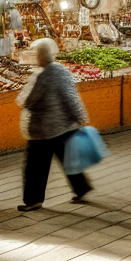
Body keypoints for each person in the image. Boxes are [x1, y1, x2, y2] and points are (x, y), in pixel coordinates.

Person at [16, 37, 91, 211]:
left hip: (43, 129)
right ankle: (82, 188)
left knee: (35, 167)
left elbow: (29, 100)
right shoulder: (62, 71)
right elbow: (71, 97)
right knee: (68, 159)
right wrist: (80, 116)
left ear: (41, 57)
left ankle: (33, 200)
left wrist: (26, 102)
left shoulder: (43, 76)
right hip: (64, 125)